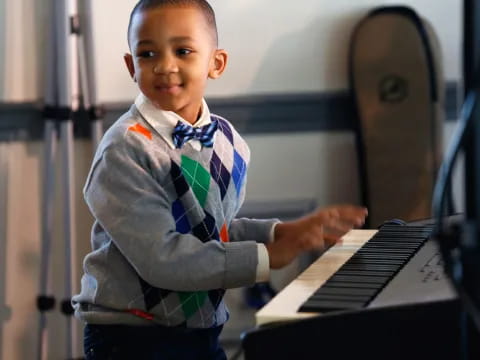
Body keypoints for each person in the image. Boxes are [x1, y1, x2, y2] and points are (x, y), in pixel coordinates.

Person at [72, 0, 368, 359]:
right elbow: (163, 259)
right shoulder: (124, 149)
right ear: (132, 66)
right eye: (148, 54)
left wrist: (280, 233)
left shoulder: (229, 143)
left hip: (199, 330)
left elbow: (212, 233)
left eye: (183, 51)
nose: (165, 66)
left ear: (216, 63)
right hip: (132, 337)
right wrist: (267, 256)